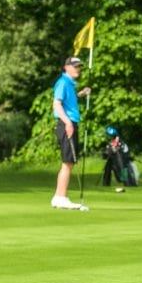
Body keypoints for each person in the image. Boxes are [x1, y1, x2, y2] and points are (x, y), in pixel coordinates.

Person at [51, 56, 92, 210]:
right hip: (66, 123)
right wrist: (68, 122)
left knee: (69, 162)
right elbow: (57, 104)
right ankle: (60, 197)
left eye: (79, 66)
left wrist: (81, 94)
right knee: (68, 162)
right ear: (66, 67)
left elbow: (69, 101)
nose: (78, 69)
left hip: (70, 123)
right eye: (75, 66)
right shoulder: (62, 83)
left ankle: (59, 196)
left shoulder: (69, 84)